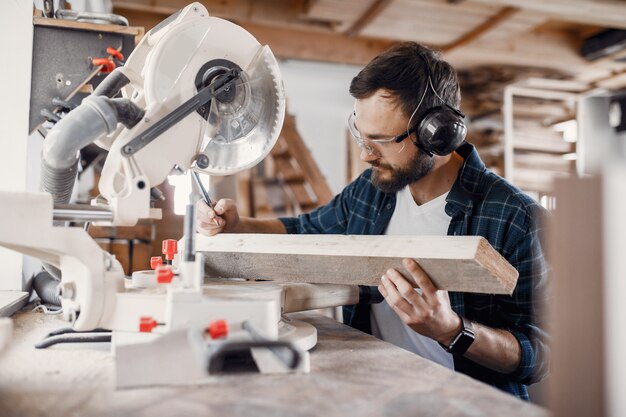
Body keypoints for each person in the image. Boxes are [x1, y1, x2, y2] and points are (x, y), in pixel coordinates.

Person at [196, 42, 549, 400]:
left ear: (437, 133)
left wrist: (452, 330)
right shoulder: (372, 191)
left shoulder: (515, 216)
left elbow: (539, 354)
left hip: (467, 403)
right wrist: (239, 226)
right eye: (361, 137)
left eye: (380, 141)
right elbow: (308, 230)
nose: (366, 155)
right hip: (376, 391)